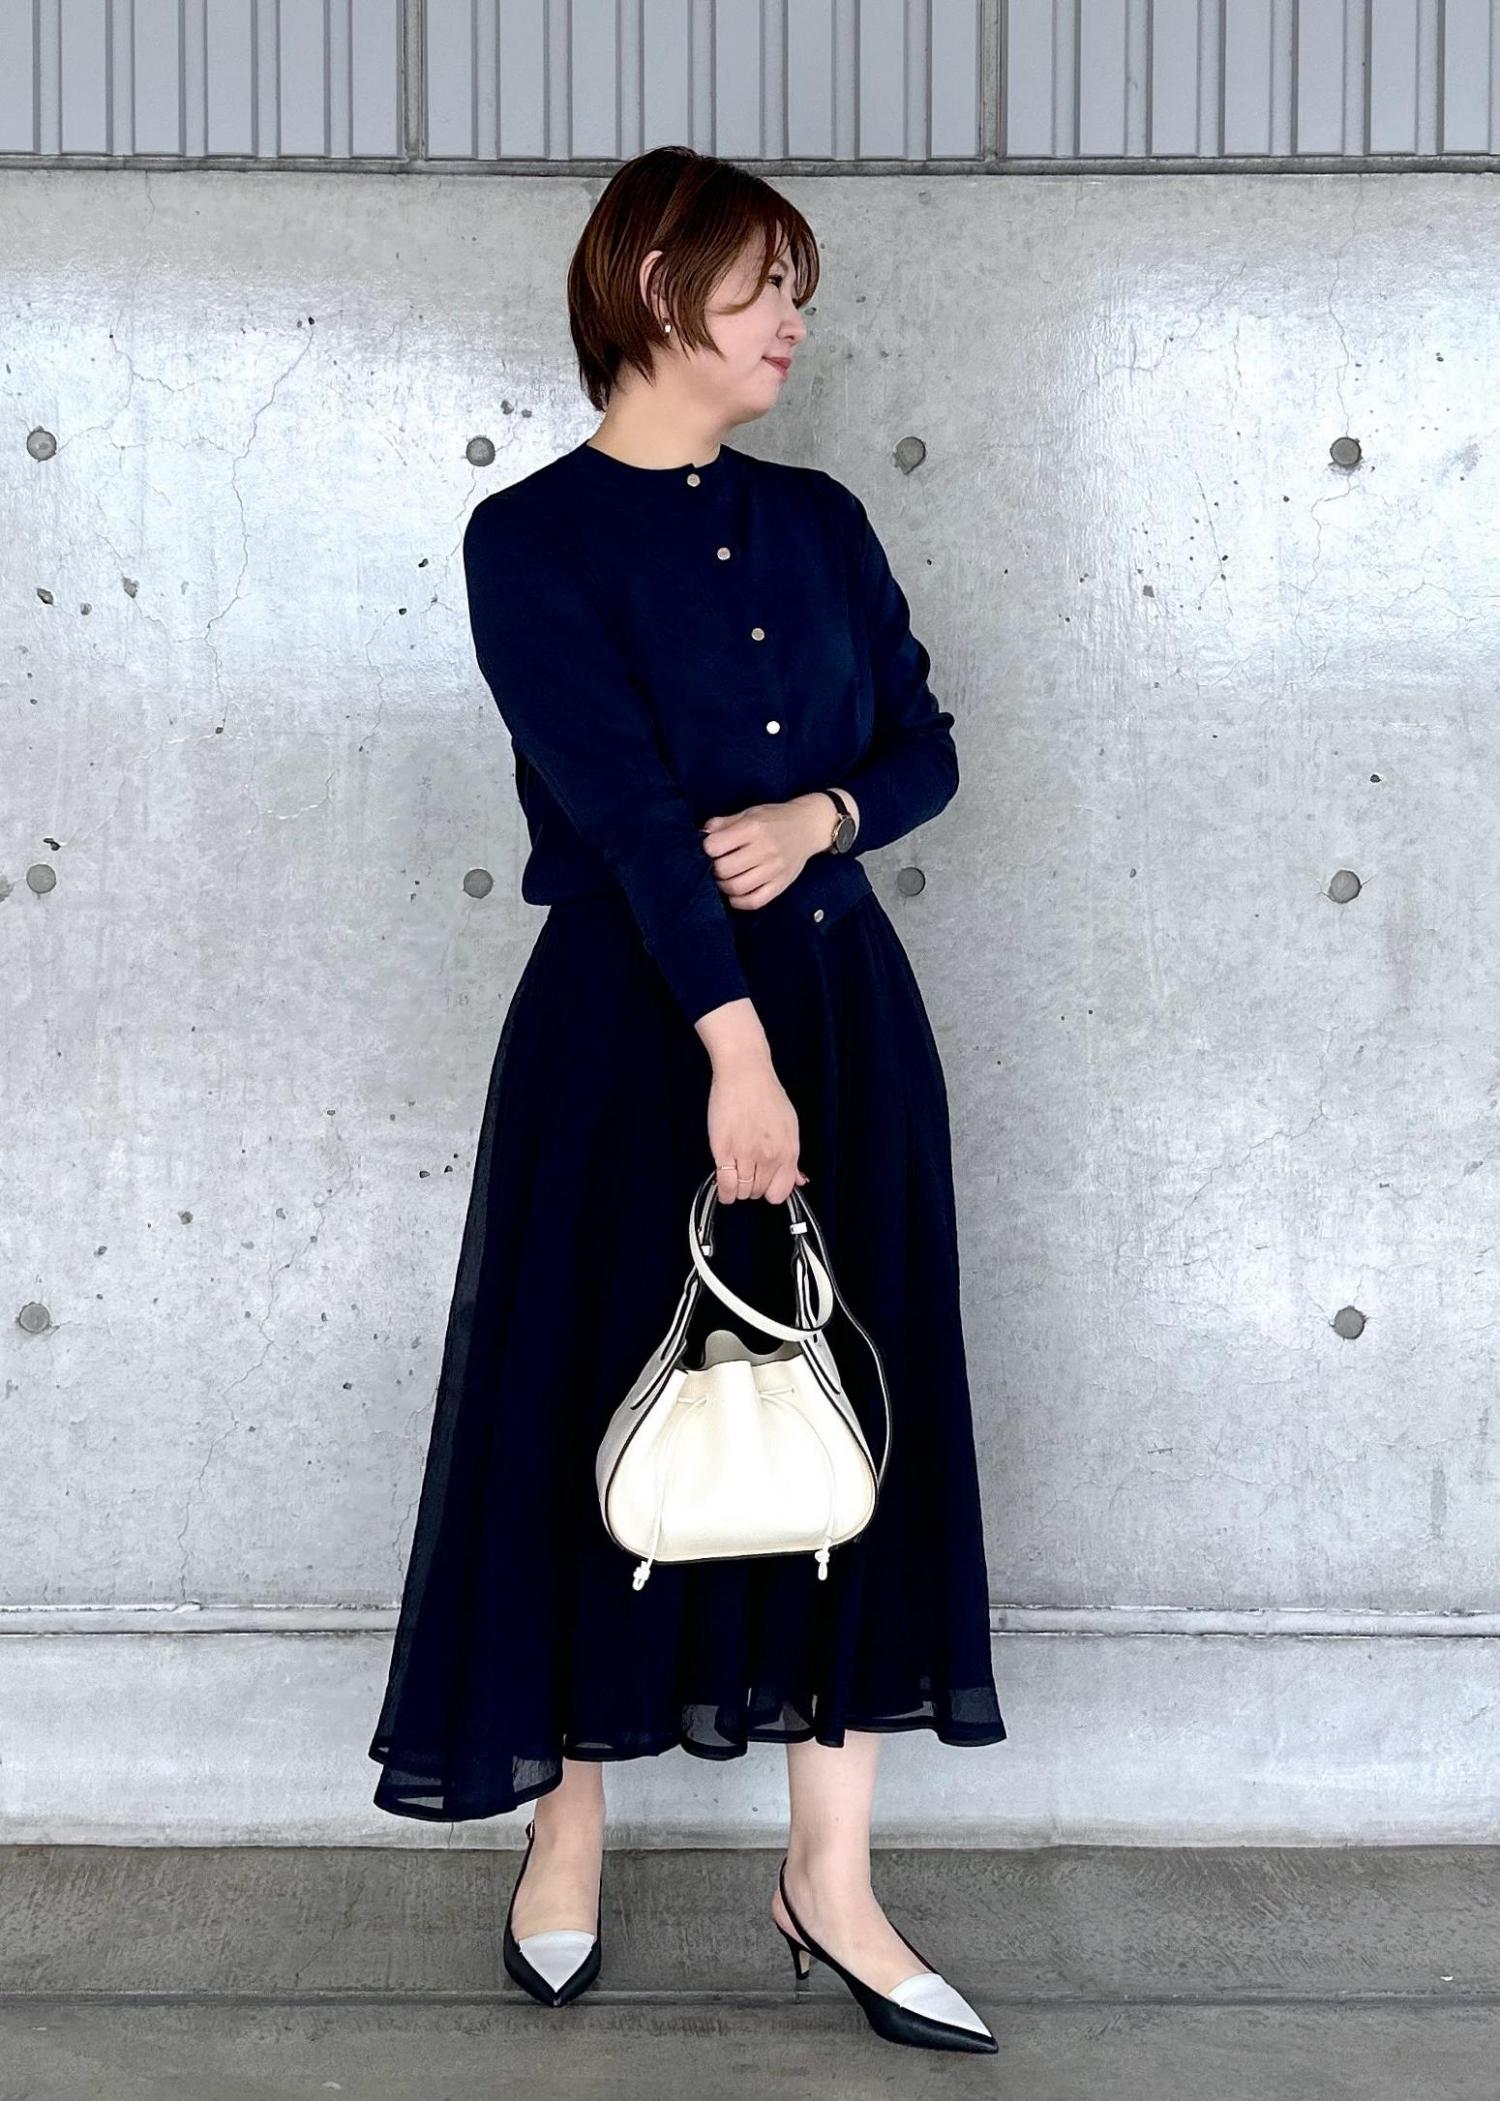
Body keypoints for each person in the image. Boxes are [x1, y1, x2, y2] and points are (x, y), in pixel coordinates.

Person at [368, 144, 1006, 2055]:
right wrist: (733, 1047)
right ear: (655, 287)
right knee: (593, 1398)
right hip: (632, 1031)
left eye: (799, 289)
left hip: (844, 1016)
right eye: (762, 285)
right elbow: (630, 814)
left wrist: (826, 814)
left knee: (844, 1408)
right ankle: (563, 1827)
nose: (794, 321)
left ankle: (833, 1875)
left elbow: (924, 744)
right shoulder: (529, 539)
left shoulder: (821, 520)